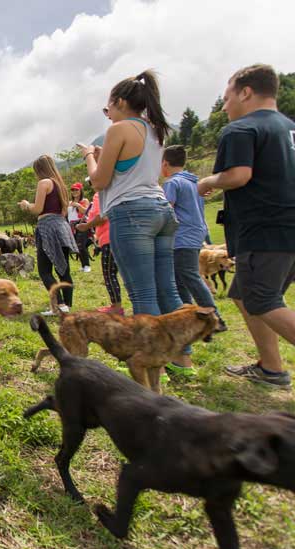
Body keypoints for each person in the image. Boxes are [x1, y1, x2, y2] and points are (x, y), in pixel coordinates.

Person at [79, 70, 190, 371]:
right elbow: (136, 169)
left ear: (120, 102)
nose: (108, 114)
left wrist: (91, 155)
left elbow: (99, 180)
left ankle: (154, 367)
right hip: (161, 209)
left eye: (109, 107)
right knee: (167, 288)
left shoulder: (118, 129)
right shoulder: (155, 130)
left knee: (142, 293)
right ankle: (183, 358)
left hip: (132, 213)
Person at [198, 64, 295, 388]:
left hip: (267, 230)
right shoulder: (289, 129)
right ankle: (271, 368)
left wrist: (207, 182)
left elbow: (239, 175)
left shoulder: (241, 129)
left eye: (226, 98)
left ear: (246, 92)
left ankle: (273, 369)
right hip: (287, 230)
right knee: (242, 293)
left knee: (263, 299)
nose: (224, 106)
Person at [161, 145, 228, 332]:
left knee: (189, 276)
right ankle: (189, 318)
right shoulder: (194, 182)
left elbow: (167, 210)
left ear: (165, 163)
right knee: (181, 277)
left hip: (182, 236)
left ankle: (216, 319)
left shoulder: (172, 183)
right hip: (196, 234)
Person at [19, 154, 78, 314]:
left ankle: (58, 305)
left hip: (47, 228)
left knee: (45, 271)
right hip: (61, 227)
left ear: (39, 170)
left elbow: (38, 209)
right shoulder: (61, 186)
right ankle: (66, 305)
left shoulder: (44, 183)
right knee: (63, 269)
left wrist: (26, 205)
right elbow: (64, 211)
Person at [77, 186, 123, 315]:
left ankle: (116, 306)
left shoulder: (100, 195)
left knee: (109, 273)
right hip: (124, 235)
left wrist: (86, 226)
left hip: (109, 238)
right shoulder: (118, 190)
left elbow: (101, 216)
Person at [68, 182, 92, 272]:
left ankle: (87, 265)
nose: (74, 191)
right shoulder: (69, 203)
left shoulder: (84, 201)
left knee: (81, 245)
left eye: (76, 189)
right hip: (72, 226)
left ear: (80, 190)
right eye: (72, 190)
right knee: (78, 246)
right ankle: (83, 265)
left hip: (81, 223)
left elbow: (87, 212)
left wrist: (78, 205)